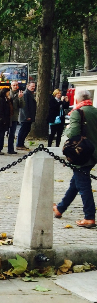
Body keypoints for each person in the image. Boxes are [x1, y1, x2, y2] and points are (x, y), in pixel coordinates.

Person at [53, 88, 97, 228]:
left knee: (83, 186)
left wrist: (67, 128)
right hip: (93, 152)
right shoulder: (95, 111)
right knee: (75, 183)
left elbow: (74, 133)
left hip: (81, 153)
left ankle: (89, 217)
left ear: (77, 100)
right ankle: (60, 208)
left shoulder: (78, 112)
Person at [16, 81, 36, 150]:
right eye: (32, 86)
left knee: (26, 129)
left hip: (28, 116)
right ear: (28, 86)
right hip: (25, 117)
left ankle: (21, 143)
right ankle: (19, 144)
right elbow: (24, 106)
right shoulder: (26, 94)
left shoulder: (29, 94)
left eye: (34, 86)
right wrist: (27, 116)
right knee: (23, 130)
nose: (33, 87)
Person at [0, 87, 13, 155]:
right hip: (0, 121)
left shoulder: (6, 100)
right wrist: (2, 120)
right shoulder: (1, 100)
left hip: (4, 120)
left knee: (1, 135)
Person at [7, 80, 25, 154]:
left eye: (16, 85)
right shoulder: (8, 93)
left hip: (14, 117)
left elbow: (22, 105)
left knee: (12, 133)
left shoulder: (19, 94)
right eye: (13, 85)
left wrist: (20, 98)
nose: (15, 86)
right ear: (11, 86)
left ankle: (10, 149)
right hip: (7, 117)